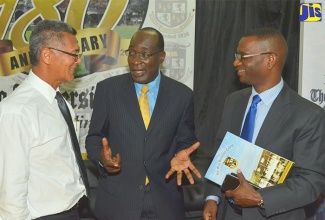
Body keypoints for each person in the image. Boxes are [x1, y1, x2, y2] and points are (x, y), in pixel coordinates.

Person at [203, 27, 325, 220]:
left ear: (270, 60)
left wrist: (259, 198)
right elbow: (221, 155)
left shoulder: (308, 115)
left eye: (243, 56)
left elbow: (311, 182)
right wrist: (212, 198)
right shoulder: (233, 102)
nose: (236, 62)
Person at [86, 27, 201, 220]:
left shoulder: (182, 95)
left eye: (145, 54)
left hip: (164, 202)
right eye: (132, 53)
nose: (135, 60)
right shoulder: (108, 90)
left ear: (161, 57)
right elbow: (94, 139)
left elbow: (187, 142)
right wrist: (102, 158)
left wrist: (184, 154)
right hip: (118, 203)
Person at [0, 19, 89, 219]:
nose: (79, 60)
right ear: (47, 55)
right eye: (74, 54)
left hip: (74, 211)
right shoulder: (16, 111)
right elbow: (11, 193)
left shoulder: (58, 100)